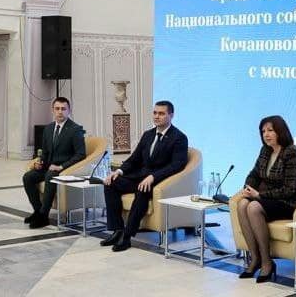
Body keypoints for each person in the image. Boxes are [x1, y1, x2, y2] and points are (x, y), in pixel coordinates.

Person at [100, 100, 188, 252]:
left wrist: (153, 177)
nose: (157, 116)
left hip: (158, 180)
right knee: (110, 183)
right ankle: (117, 230)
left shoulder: (179, 137)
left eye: (161, 113)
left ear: (171, 115)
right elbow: (134, 159)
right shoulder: (148, 135)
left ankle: (127, 237)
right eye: (155, 113)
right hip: (139, 176)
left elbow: (176, 165)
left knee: (142, 190)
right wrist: (118, 172)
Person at [235, 115, 296, 283]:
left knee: (253, 207)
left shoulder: (292, 152)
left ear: (280, 131)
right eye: (263, 131)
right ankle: (255, 258)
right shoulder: (265, 151)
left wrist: (259, 196)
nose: (266, 134)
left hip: (291, 202)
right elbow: (254, 174)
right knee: (241, 204)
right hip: (269, 199)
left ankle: (267, 262)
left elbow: (290, 190)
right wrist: (248, 188)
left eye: (270, 130)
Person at [22, 97, 86, 229]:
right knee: (28, 177)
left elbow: (81, 154)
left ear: (69, 111)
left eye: (63, 109)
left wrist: (61, 166)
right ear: (53, 110)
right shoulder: (49, 128)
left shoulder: (75, 129)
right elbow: (45, 152)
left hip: (64, 169)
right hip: (48, 166)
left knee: (50, 175)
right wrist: (40, 162)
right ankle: (38, 211)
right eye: (57, 109)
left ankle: (44, 216)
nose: (60, 112)